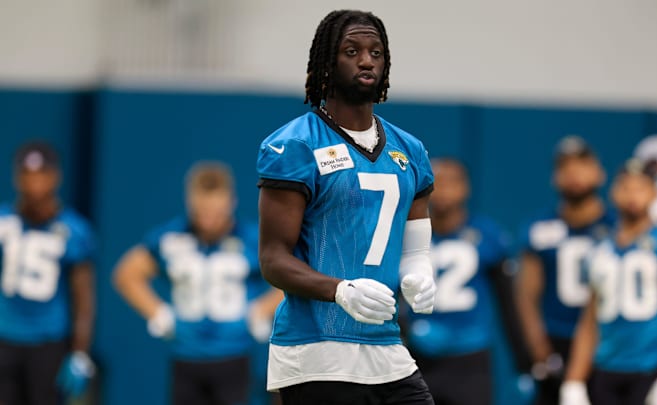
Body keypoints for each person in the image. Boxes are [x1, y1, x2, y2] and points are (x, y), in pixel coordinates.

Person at [256, 9, 436, 405]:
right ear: (327, 62)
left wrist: (420, 273)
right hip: (316, 349)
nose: (366, 59)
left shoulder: (410, 150)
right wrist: (339, 290)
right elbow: (272, 258)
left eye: (376, 52)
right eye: (351, 50)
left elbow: (416, 250)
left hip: (387, 348)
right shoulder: (296, 145)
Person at [114, 162, 282, 405]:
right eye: (201, 212)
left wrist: (261, 310)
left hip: (233, 354)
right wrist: (158, 312)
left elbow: (290, 276)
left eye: (216, 212)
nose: (208, 221)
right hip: (186, 354)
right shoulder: (172, 237)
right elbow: (127, 274)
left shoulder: (252, 238)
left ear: (231, 202)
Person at [561, 159, 657, 405]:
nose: (632, 196)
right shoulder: (600, 249)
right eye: (626, 187)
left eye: (640, 188)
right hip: (606, 367)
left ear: (654, 193)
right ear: (614, 192)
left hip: (650, 367)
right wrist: (573, 381)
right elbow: (589, 320)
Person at [404, 158, 522, 405]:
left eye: (451, 182)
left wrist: (525, 362)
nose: (443, 190)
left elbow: (509, 305)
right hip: (415, 357)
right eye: (437, 182)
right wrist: (407, 328)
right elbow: (386, 295)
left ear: (465, 188)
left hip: (470, 359)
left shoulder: (487, 235)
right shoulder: (405, 234)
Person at [516, 136, 614, 405]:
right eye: (565, 167)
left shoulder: (618, 227)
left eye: (582, 165)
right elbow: (526, 294)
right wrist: (539, 349)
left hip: (610, 342)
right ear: (555, 177)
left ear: (599, 173)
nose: (574, 174)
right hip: (557, 339)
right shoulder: (541, 228)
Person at [0, 141, 96, 405]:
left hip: (48, 343)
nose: (35, 184)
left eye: (41, 175)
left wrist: (79, 353)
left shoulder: (73, 230)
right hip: (4, 337)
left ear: (55, 177)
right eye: (27, 175)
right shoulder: (3, 222)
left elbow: (83, 297)